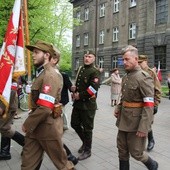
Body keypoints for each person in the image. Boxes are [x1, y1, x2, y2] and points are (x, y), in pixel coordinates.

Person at [21, 40, 74, 170]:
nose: (33, 55)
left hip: (47, 128)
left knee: (62, 164)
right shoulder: (42, 72)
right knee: (28, 164)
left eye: (36, 52)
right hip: (36, 126)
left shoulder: (50, 75)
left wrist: (28, 123)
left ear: (46, 55)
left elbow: (45, 108)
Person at [114, 45, 158, 170]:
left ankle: (153, 165)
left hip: (136, 122)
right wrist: (118, 107)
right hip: (123, 120)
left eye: (127, 59)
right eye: (123, 60)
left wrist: (144, 127)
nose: (124, 62)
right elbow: (124, 97)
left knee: (136, 152)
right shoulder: (126, 76)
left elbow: (149, 105)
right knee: (121, 149)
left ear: (136, 58)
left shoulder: (143, 77)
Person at [71, 50, 100, 160]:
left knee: (88, 128)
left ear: (93, 59)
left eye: (89, 56)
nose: (87, 58)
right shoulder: (81, 69)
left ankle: (88, 150)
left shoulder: (94, 72)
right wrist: (74, 89)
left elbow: (93, 89)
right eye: (85, 56)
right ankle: (85, 142)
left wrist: (80, 95)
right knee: (74, 124)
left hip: (88, 105)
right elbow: (79, 84)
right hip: (78, 104)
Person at [138, 55, 161, 151]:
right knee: (139, 122)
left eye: (140, 62)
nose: (139, 64)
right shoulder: (137, 72)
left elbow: (158, 89)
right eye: (138, 62)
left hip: (149, 103)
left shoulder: (151, 73)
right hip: (138, 103)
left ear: (145, 62)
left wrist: (156, 104)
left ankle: (151, 140)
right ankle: (139, 142)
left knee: (147, 123)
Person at [0, 79, 25, 160]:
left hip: (7, 105)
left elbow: (12, 90)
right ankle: (5, 151)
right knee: (4, 127)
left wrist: (3, 107)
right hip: (6, 103)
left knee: (5, 128)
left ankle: (28, 144)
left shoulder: (10, 70)